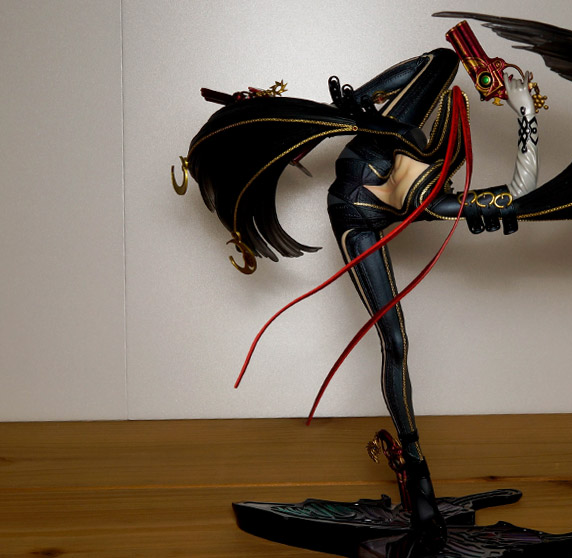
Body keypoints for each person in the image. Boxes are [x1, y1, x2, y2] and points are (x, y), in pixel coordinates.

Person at [177, 46, 540, 541]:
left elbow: (519, 195)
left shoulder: (433, 197)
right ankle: (417, 477)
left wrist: (525, 111)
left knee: (396, 342)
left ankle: (416, 473)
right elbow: (439, 60)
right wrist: (344, 110)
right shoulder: (400, 134)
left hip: (363, 217)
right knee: (443, 62)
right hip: (353, 207)